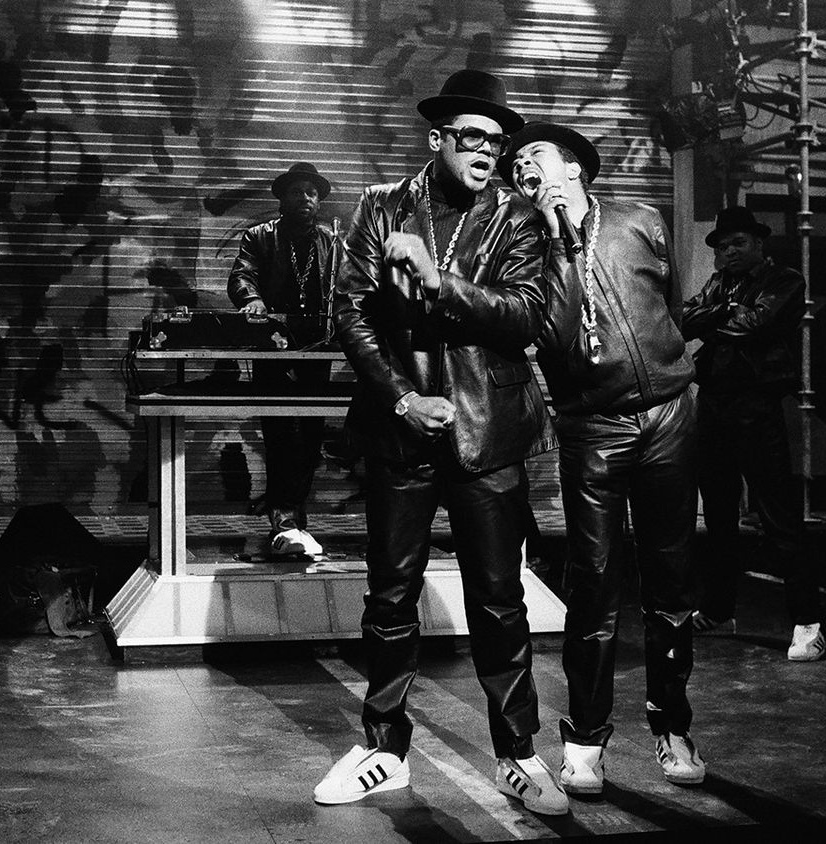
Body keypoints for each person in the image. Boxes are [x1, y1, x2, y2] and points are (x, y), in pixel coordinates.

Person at [315, 70, 568, 816]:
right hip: (401, 429)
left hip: (487, 429)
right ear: (438, 139)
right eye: (472, 138)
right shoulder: (381, 205)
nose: (488, 151)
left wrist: (439, 280)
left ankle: (517, 752)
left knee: (498, 599)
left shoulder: (516, 216)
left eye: (498, 142)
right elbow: (350, 311)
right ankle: (384, 749)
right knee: (390, 595)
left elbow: (525, 316)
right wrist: (401, 397)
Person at [498, 122, 705, 795]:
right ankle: (585, 739)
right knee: (592, 585)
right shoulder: (524, 243)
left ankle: (672, 726)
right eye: (515, 168)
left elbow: (670, 309)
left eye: (534, 157)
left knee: (672, 583)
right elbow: (555, 333)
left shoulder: (639, 220)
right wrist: (558, 238)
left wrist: (670, 379)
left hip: (668, 417)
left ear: (575, 168)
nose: (522, 170)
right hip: (592, 427)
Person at [680, 206, 825, 662]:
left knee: (779, 517)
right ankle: (719, 609)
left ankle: (808, 623)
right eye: (722, 246)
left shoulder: (785, 279)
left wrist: (714, 317)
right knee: (718, 517)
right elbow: (682, 321)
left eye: (738, 243)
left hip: (757, 408)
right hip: (715, 407)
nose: (728, 252)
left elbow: (756, 325)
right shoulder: (720, 285)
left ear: (759, 244)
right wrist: (725, 310)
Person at [227, 162, 335, 557]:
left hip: (317, 345)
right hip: (272, 344)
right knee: (279, 430)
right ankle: (285, 518)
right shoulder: (259, 236)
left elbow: (348, 287)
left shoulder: (332, 242)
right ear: (282, 199)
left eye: (312, 193)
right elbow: (241, 276)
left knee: (309, 434)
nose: (305, 198)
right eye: (297, 191)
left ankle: (291, 516)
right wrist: (252, 299)